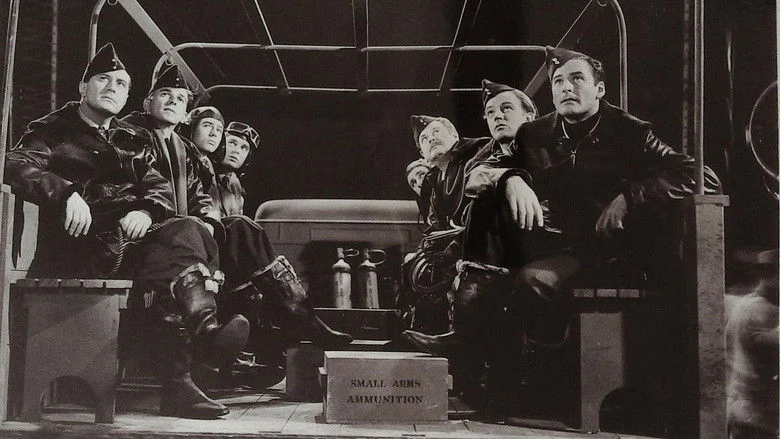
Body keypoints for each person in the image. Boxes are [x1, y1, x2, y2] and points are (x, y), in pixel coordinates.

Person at [402, 46, 722, 410]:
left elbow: (703, 176)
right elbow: (480, 173)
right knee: (488, 203)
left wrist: (630, 197)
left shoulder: (630, 132)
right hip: (550, 239)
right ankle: (470, 337)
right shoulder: (535, 133)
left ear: (599, 89)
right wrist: (510, 178)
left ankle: (531, 378)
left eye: (576, 79)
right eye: (558, 82)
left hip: (604, 250)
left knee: (531, 280)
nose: (566, 87)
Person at [3, 43, 247, 419]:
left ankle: (193, 357)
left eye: (120, 84)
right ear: (83, 87)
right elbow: (15, 164)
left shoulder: (128, 138)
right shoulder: (52, 129)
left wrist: (146, 210)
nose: (112, 88)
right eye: (103, 79)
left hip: (127, 245)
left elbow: (158, 187)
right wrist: (65, 192)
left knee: (185, 238)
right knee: (181, 245)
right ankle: (198, 348)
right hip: (81, 245)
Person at [175, 106, 354, 387]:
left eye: (243, 147)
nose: (236, 150)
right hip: (196, 246)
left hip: (215, 251)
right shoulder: (199, 166)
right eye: (231, 142)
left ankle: (238, 363)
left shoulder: (233, 184)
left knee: (258, 285)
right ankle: (303, 321)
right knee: (245, 232)